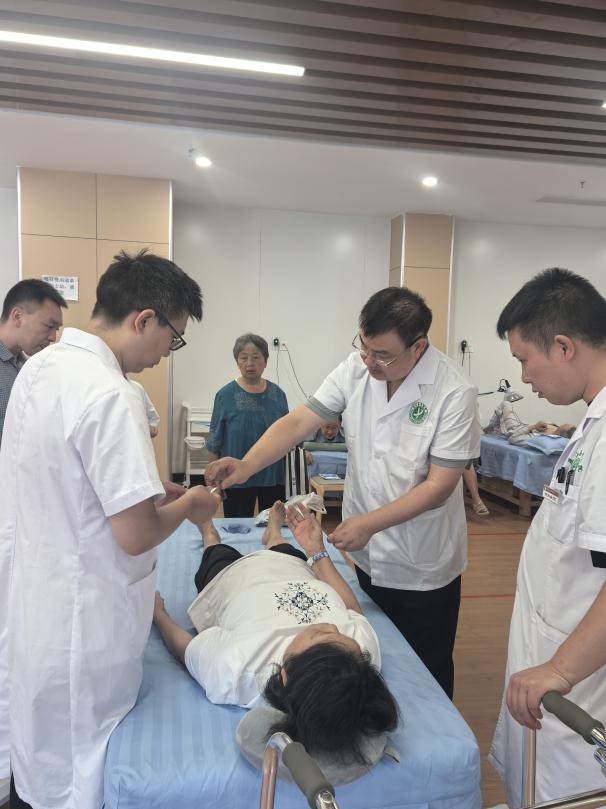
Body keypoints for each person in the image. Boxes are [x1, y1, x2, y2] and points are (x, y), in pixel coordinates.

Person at [0, 250, 221, 809]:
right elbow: (136, 534)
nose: (166, 352)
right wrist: (192, 504)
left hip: (36, 603)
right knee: (76, 772)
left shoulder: (39, 368)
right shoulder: (112, 393)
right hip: (82, 622)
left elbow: (64, 481)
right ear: (144, 319)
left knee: (39, 757)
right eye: (173, 338)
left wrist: (145, 492)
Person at [207, 286, 481, 698]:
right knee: (368, 649)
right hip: (366, 552)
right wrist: (245, 465)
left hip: (421, 560)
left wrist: (369, 524)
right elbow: (298, 423)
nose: (368, 361)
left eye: (381, 354)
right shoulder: (356, 370)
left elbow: (440, 486)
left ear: (418, 347)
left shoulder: (453, 392)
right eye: (363, 346)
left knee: (427, 666)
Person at [153, 501, 398, 762]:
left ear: (284, 674)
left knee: (216, 553)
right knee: (283, 548)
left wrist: (158, 614)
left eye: (319, 635)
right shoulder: (360, 663)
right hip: (293, 568)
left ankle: (208, 531)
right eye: (341, 635)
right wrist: (316, 550)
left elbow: (186, 648)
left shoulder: (237, 668)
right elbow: (352, 611)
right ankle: (273, 533)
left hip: (230, 578)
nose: (332, 625)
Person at [489, 268, 606, 807]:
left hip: (578, 685)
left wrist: (560, 668)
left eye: (523, 359)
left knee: (568, 792)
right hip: (551, 662)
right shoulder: (591, 423)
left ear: (563, 346)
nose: (523, 376)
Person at [206, 333, 288, 517]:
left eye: (256, 357)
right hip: (235, 476)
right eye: (244, 358)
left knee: (272, 524)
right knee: (237, 526)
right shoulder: (225, 395)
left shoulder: (278, 395)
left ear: (265, 361)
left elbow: (287, 432)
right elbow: (214, 439)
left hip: (272, 475)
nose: (250, 363)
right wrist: (213, 478)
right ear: (237, 362)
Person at [0, 278, 66, 445]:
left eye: (56, 329)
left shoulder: (26, 367)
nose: (53, 337)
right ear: (17, 317)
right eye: (49, 326)